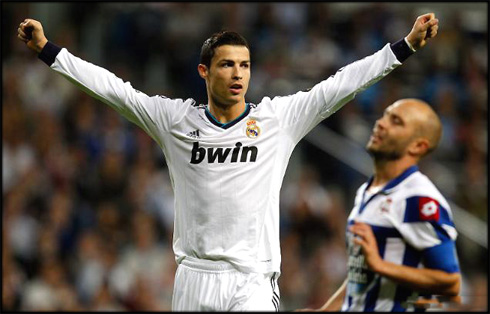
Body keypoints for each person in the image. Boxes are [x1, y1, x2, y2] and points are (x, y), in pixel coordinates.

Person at [17, 13, 439, 311]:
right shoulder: (175, 120)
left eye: (245, 65)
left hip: (251, 281)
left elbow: (340, 86)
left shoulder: (278, 119)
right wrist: (49, 52)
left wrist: (401, 49)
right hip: (192, 277)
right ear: (204, 71)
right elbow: (114, 91)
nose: (238, 74)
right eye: (227, 65)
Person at [297, 99, 461, 312]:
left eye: (396, 122)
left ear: (418, 145)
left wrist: (381, 266)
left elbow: (450, 281)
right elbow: (363, 275)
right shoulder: (367, 190)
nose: (381, 123)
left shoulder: (419, 199)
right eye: (384, 115)